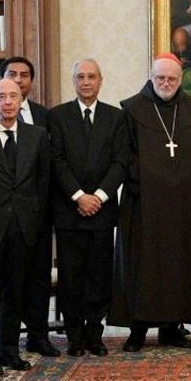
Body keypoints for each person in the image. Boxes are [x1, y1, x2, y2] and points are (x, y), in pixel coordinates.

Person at [113, 54, 191, 350]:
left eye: (171, 79)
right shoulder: (132, 110)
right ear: (151, 77)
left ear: (180, 78)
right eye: (160, 78)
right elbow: (123, 155)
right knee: (142, 265)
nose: (166, 84)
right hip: (143, 203)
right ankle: (138, 330)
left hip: (182, 204)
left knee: (178, 264)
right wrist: (147, 182)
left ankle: (172, 327)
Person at [0, 57, 58, 357]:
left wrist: (36, 221)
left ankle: (9, 350)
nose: (8, 102)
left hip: (23, 227)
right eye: (2, 97)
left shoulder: (36, 136)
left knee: (14, 293)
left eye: (14, 97)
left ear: (22, 102)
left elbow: (43, 184)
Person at [48, 59, 131, 356]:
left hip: (102, 211)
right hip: (69, 211)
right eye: (80, 77)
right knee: (71, 277)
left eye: (91, 76)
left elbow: (121, 161)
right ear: (73, 81)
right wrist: (78, 196)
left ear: (100, 80)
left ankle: (94, 334)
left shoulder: (116, 117)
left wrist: (98, 195)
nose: (86, 81)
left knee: (98, 276)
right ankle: (73, 335)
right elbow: (56, 160)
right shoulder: (57, 116)